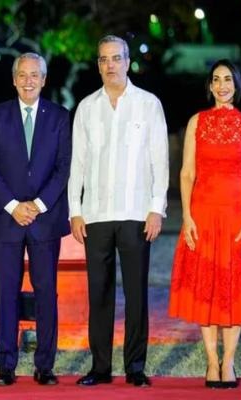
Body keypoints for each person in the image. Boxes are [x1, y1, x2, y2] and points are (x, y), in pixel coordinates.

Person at [68, 35, 169, 387]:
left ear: (127, 62)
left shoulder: (148, 104)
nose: (110, 65)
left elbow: (160, 159)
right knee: (99, 293)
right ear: (98, 64)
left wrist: (156, 209)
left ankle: (135, 367)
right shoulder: (86, 107)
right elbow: (76, 164)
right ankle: (99, 367)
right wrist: (75, 211)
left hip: (136, 213)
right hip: (95, 214)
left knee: (137, 293)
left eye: (116, 58)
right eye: (103, 59)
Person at [169, 59, 241, 389]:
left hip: (237, 217)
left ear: (236, 85)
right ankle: (211, 362)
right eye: (216, 79)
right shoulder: (197, 122)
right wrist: (186, 217)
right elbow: (186, 173)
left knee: (232, 290)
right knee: (206, 289)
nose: (222, 85)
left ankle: (229, 363)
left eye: (228, 79)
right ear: (210, 86)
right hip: (202, 214)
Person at [0, 53, 71, 386]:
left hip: (45, 221)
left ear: (44, 80)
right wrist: (13, 206)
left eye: (35, 75)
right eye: (23, 74)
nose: (29, 80)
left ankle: (44, 364)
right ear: (14, 79)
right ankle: (6, 364)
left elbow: (64, 167)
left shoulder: (60, 117)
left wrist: (39, 203)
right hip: (7, 221)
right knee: (7, 292)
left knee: (46, 292)